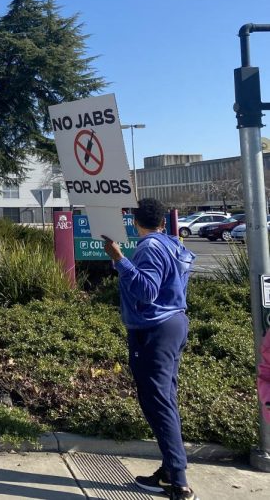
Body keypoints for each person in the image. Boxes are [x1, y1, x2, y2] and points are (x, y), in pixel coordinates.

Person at [104, 197, 199, 500]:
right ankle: (170, 470)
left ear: (135, 222)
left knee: (157, 402)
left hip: (153, 330)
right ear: (162, 222)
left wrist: (120, 258)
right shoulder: (173, 244)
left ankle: (180, 482)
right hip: (175, 324)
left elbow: (146, 290)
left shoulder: (149, 247)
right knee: (164, 399)